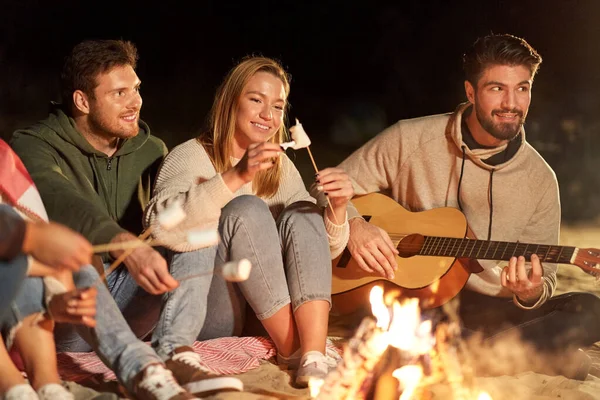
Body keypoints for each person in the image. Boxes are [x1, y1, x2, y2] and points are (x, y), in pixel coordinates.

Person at [337, 34, 600, 379]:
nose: (511, 102)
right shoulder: (410, 139)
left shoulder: (541, 180)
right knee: (394, 318)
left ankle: (478, 355)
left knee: (590, 310)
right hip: (417, 298)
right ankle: (526, 354)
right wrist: (355, 225)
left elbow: (546, 280)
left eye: (522, 88)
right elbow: (325, 186)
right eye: (496, 89)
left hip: (492, 308)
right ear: (471, 92)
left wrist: (530, 292)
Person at [11, 40, 242, 399]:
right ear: (82, 101)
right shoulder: (32, 145)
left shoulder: (152, 150)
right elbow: (62, 202)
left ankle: (175, 350)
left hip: (134, 300)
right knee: (71, 251)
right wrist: (125, 244)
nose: (136, 102)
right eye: (119, 93)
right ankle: (138, 367)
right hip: (72, 308)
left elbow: (169, 220)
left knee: (190, 224)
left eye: (135, 89)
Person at [144, 56, 353, 386]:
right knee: (247, 208)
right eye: (256, 100)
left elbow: (314, 254)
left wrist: (337, 209)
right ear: (230, 102)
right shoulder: (190, 155)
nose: (268, 116)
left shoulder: (279, 167)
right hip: (215, 312)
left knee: (304, 211)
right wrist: (236, 176)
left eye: (278, 106)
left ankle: (313, 355)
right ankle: (295, 348)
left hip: (264, 316)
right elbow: (161, 226)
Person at [1, 138, 97, 400]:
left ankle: (48, 386)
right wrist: (31, 237)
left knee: (76, 271)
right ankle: (13, 389)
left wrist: (57, 301)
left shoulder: (3, 157)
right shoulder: (40, 143)